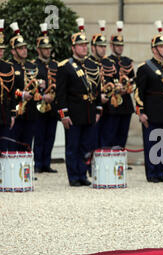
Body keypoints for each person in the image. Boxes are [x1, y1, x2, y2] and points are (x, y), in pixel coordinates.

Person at [55, 18, 103, 187]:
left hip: (89, 111)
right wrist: (63, 115)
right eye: (80, 45)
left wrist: (98, 109)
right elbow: (60, 94)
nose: (84, 47)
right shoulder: (65, 66)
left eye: (85, 45)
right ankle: (74, 176)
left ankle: (83, 174)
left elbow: (97, 89)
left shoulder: (93, 65)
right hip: (74, 112)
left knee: (86, 146)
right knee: (73, 147)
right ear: (73, 47)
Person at [134, 21, 163, 183]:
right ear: (154, 49)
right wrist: (140, 111)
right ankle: (152, 173)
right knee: (152, 142)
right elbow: (139, 91)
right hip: (151, 110)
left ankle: (160, 171)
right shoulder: (145, 68)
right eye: (162, 47)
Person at [8, 22, 40, 152]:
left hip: (31, 112)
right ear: (13, 51)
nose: (24, 50)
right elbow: (8, 89)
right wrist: (21, 94)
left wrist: (40, 85)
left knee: (27, 146)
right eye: (20, 48)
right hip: (16, 112)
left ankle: (26, 172)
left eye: (25, 47)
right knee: (14, 145)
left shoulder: (32, 66)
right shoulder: (9, 66)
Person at [104, 21, 136, 151]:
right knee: (110, 133)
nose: (119, 48)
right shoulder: (106, 62)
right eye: (117, 45)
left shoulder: (127, 61)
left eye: (121, 45)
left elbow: (133, 80)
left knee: (123, 134)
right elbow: (105, 81)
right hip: (112, 105)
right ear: (111, 46)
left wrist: (127, 88)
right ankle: (109, 159)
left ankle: (120, 160)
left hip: (126, 104)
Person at [33, 23, 59, 173]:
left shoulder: (55, 65)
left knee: (50, 136)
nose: (47, 51)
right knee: (39, 136)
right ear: (38, 50)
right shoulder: (34, 66)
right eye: (44, 49)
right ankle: (37, 163)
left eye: (49, 49)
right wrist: (42, 96)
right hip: (39, 106)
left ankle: (46, 163)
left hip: (52, 106)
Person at [88, 20, 115, 149]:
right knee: (92, 140)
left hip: (109, 107)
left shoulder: (109, 63)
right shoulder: (87, 63)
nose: (103, 49)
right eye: (100, 46)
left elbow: (113, 81)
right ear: (93, 48)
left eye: (104, 46)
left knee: (107, 140)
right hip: (92, 108)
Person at [0, 19, 15, 152]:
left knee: (4, 149)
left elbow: (11, 93)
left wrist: (12, 114)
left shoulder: (7, 67)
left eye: (2, 50)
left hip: (3, 115)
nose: (0, 52)